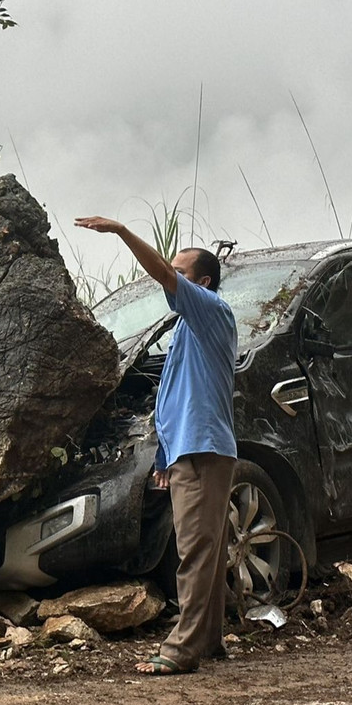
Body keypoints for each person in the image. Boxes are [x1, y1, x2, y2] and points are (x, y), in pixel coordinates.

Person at [75, 215, 237, 675]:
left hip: (204, 452)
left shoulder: (210, 311)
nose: (171, 278)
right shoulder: (190, 329)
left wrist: (122, 232)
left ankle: (182, 649)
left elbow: (163, 275)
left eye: (181, 273)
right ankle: (208, 641)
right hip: (192, 450)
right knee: (207, 547)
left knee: (195, 551)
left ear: (203, 283)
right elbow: (176, 401)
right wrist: (165, 456)